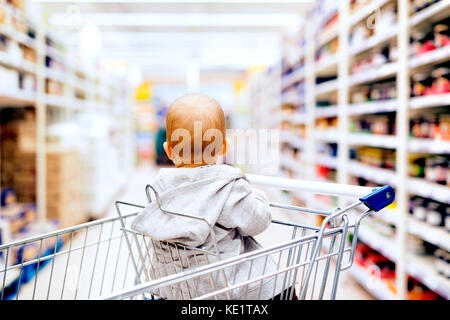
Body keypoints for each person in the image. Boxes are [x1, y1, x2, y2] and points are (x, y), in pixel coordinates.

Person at [131, 93, 295, 300]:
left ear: (169, 150)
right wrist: (258, 196)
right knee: (280, 287)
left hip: (177, 288)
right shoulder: (228, 187)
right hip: (225, 288)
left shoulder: (158, 188)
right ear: (224, 147)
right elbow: (258, 222)